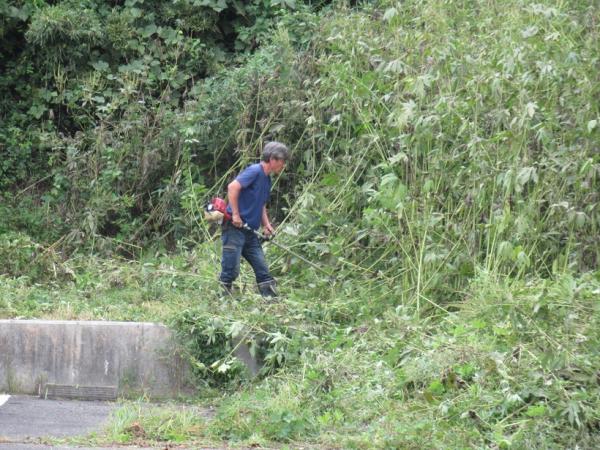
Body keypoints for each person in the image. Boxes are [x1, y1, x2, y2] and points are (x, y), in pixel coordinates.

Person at [219, 141, 289, 297]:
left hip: (251, 232)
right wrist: (236, 214)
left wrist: (266, 225)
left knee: (262, 268)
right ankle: (222, 300)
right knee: (231, 270)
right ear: (272, 159)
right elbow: (232, 187)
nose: (283, 166)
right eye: (282, 161)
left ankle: (271, 300)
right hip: (234, 229)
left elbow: (261, 204)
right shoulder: (255, 171)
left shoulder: (267, 179)